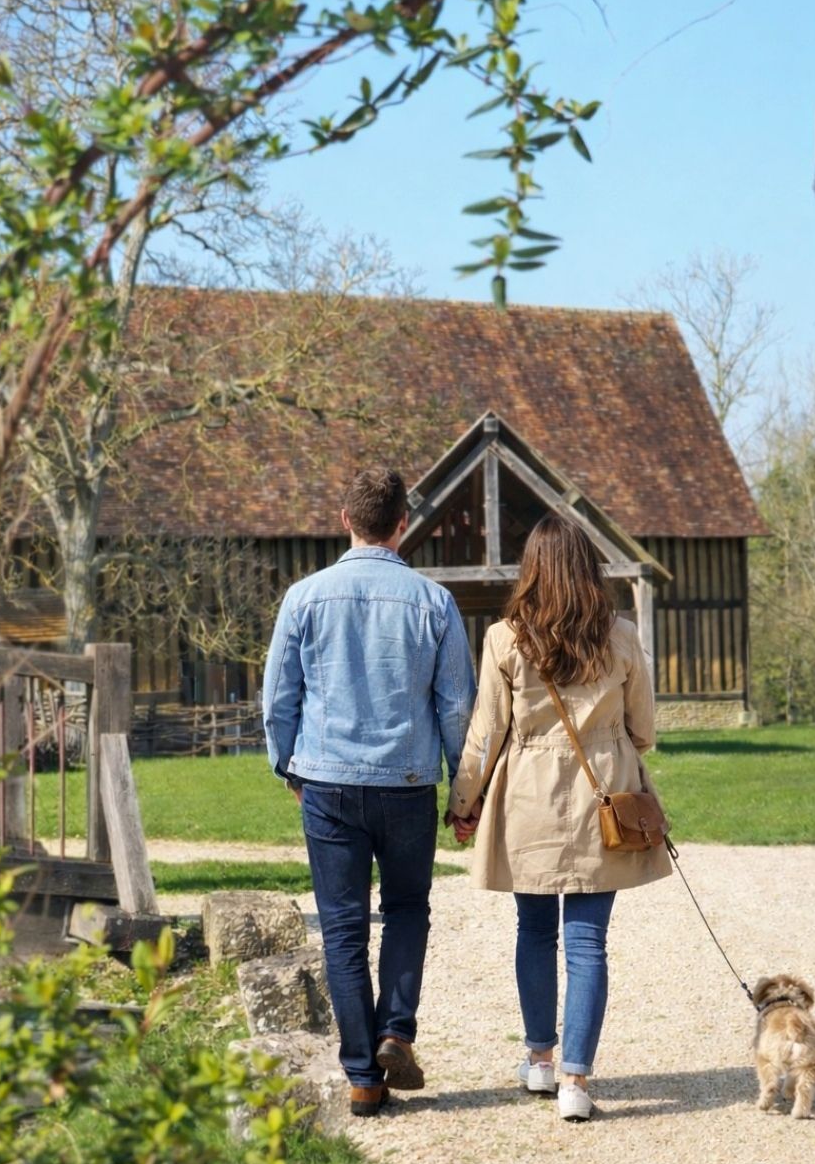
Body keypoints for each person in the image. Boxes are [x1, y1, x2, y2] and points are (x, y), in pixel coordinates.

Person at [263, 466, 476, 1117]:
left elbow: (278, 699)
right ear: (403, 524)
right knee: (408, 909)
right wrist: (462, 791)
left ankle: (362, 1076)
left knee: (344, 927)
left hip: (328, 780)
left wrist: (288, 766)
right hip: (408, 782)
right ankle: (395, 1031)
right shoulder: (434, 603)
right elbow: (456, 706)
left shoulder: (304, 597)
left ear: (346, 519)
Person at [447, 514, 671, 1123]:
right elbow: (645, 729)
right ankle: (576, 1079)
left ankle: (540, 1060)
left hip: (529, 799)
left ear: (533, 569)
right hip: (605, 797)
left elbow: (486, 733)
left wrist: (463, 804)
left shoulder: (504, 638)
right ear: (588, 568)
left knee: (535, 931)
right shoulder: (621, 635)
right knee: (589, 942)